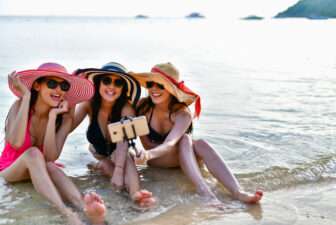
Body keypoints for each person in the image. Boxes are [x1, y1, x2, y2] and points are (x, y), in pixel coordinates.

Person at [131, 62, 263, 209]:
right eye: (150, 84)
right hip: (157, 159)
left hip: (176, 155)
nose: (154, 89)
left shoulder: (182, 114)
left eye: (161, 85)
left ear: (172, 89)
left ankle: (238, 192)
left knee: (200, 143)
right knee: (187, 139)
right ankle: (206, 192)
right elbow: (147, 144)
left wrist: (147, 154)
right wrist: (144, 155)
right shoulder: (142, 107)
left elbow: (170, 143)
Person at [0, 63, 106, 225]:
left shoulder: (62, 118)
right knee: (34, 153)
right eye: (51, 83)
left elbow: (49, 157)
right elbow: (16, 142)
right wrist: (26, 98)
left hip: (40, 168)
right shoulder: (20, 105)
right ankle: (66, 213)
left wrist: (52, 118)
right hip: (10, 169)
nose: (58, 89)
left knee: (50, 165)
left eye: (63, 85)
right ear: (37, 85)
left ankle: (84, 208)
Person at [72, 62, 155, 207]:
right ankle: (129, 195)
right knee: (110, 170)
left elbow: (123, 143)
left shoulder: (126, 108)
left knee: (125, 161)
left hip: (119, 152)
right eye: (106, 81)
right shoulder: (89, 104)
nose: (111, 86)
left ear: (122, 88)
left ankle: (136, 193)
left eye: (117, 83)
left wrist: (119, 170)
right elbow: (68, 127)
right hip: (96, 155)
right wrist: (72, 93)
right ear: (99, 84)